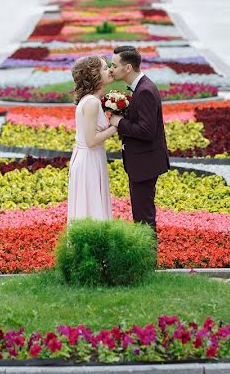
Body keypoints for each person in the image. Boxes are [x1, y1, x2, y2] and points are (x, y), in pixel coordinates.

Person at [108, 45, 170, 234]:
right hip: (142, 163)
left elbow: (146, 130)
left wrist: (119, 122)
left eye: (114, 66)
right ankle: (146, 259)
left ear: (128, 68)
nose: (111, 70)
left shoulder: (144, 91)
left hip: (145, 164)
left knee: (144, 217)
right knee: (142, 215)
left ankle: (147, 261)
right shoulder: (141, 88)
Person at [67, 55, 119, 222]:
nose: (110, 70)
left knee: (91, 208)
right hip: (89, 160)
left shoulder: (93, 100)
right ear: (94, 75)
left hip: (92, 158)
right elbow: (91, 140)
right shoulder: (91, 103)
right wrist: (116, 126)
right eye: (105, 68)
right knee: (91, 210)